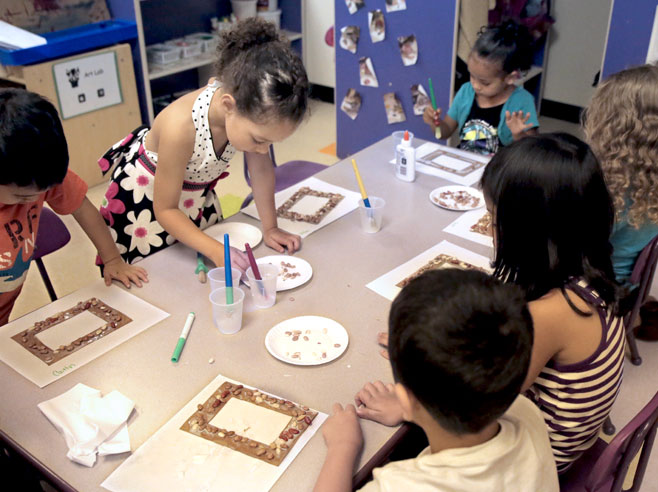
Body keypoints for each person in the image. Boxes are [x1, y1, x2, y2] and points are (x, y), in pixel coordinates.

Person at [371, 134, 625, 473]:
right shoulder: (586, 271)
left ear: (529, 231)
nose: (489, 227)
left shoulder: (551, 312)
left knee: (397, 452)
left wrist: (412, 394)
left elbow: (485, 399)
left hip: (541, 458)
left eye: (492, 218)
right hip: (566, 431)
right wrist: (425, 343)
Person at [314, 269, 559, 492]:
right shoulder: (526, 413)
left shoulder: (398, 486)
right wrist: (411, 408)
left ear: (407, 398)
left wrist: (342, 447)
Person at [98, 18, 308, 272]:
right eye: (259, 140)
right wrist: (213, 249)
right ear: (229, 106)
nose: (263, 150)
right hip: (145, 202)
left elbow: (261, 171)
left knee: (199, 272)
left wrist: (271, 228)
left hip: (192, 196)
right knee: (162, 276)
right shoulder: (181, 128)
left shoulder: (244, 116)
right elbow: (164, 209)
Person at [0, 88, 147, 325]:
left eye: (42, 193)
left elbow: (82, 207)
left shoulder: (37, 172)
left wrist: (112, 259)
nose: (34, 199)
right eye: (21, 196)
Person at [582, 64, 658, 285]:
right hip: (624, 285)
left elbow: (570, 247)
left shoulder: (614, 187)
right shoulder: (648, 180)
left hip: (596, 289)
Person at [423, 20, 539, 154]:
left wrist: (519, 136)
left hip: (497, 170)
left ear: (510, 78)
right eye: (471, 76)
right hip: (466, 165)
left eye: (485, 82)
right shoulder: (466, 92)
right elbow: (444, 133)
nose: (475, 85)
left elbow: (532, 154)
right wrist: (435, 124)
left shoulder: (523, 101)